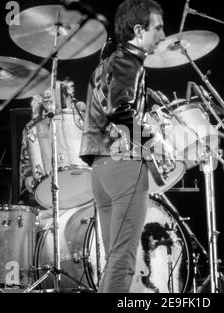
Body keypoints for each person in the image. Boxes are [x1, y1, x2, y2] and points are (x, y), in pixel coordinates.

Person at [79, 0, 165, 293]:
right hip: (125, 165)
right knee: (124, 260)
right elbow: (120, 110)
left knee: (114, 257)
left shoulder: (105, 63)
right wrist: (153, 145)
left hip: (101, 171)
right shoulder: (129, 61)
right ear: (139, 30)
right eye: (159, 28)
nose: (163, 36)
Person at [19, 79, 84, 207]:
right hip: (46, 185)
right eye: (45, 96)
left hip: (77, 179)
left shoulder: (77, 119)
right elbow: (26, 161)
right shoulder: (33, 128)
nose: (48, 96)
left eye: (52, 93)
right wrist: (28, 177)